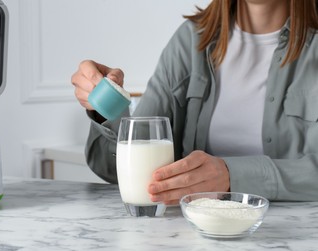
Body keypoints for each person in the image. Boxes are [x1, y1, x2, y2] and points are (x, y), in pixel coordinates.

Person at [71, 0, 318, 205]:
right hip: (192, 234)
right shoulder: (191, 40)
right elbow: (124, 172)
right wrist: (104, 106)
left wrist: (232, 176)